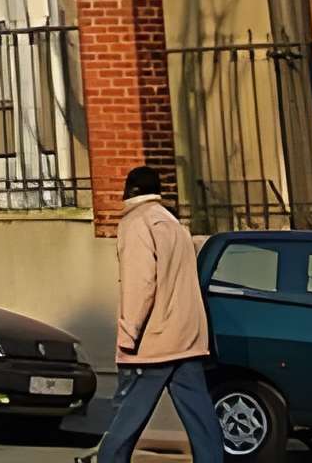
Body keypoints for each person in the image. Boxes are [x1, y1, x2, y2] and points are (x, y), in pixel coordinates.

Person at [92, 165, 222, 463]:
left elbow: (140, 284)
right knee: (201, 421)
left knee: (127, 417)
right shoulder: (173, 223)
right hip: (186, 338)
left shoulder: (136, 223)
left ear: (130, 190)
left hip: (153, 342)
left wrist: (128, 334)